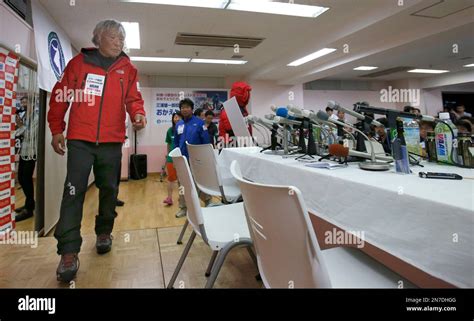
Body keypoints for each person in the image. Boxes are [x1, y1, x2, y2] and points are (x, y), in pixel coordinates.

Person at [47, 19, 146, 283]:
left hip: (112, 142)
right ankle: (68, 251)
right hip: (80, 140)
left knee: (110, 191)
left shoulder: (127, 69)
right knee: (73, 192)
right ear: (98, 39)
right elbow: (61, 95)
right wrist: (57, 128)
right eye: (114, 37)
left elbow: (133, 98)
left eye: (122, 38)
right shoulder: (78, 65)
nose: (119, 42)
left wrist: (138, 114)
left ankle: (104, 232)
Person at [174, 98, 211, 218]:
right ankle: (183, 208)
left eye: (187, 107)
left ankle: (208, 201)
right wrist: (175, 157)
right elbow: (175, 142)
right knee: (182, 185)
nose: (184, 109)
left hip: (196, 160)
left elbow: (206, 141)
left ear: (192, 109)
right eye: (182, 107)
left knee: (199, 182)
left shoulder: (200, 123)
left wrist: (205, 158)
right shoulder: (178, 124)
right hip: (182, 160)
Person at [14, 97, 37, 222]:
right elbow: (18, 133)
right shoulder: (25, 117)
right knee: (22, 178)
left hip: (31, 153)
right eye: (22, 102)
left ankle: (29, 209)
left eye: (25, 102)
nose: (23, 104)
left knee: (26, 178)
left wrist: (21, 126)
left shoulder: (36, 117)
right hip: (24, 151)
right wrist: (20, 126)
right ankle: (30, 203)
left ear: (31, 103)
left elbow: (31, 134)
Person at [163, 112, 181, 206]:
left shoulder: (185, 130)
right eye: (175, 117)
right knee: (171, 179)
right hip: (171, 158)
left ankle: (182, 198)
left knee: (181, 180)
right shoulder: (170, 130)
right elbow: (169, 144)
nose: (177, 119)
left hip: (182, 158)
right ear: (173, 119)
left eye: (179, 117)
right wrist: (168, 155)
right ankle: (169, 198)